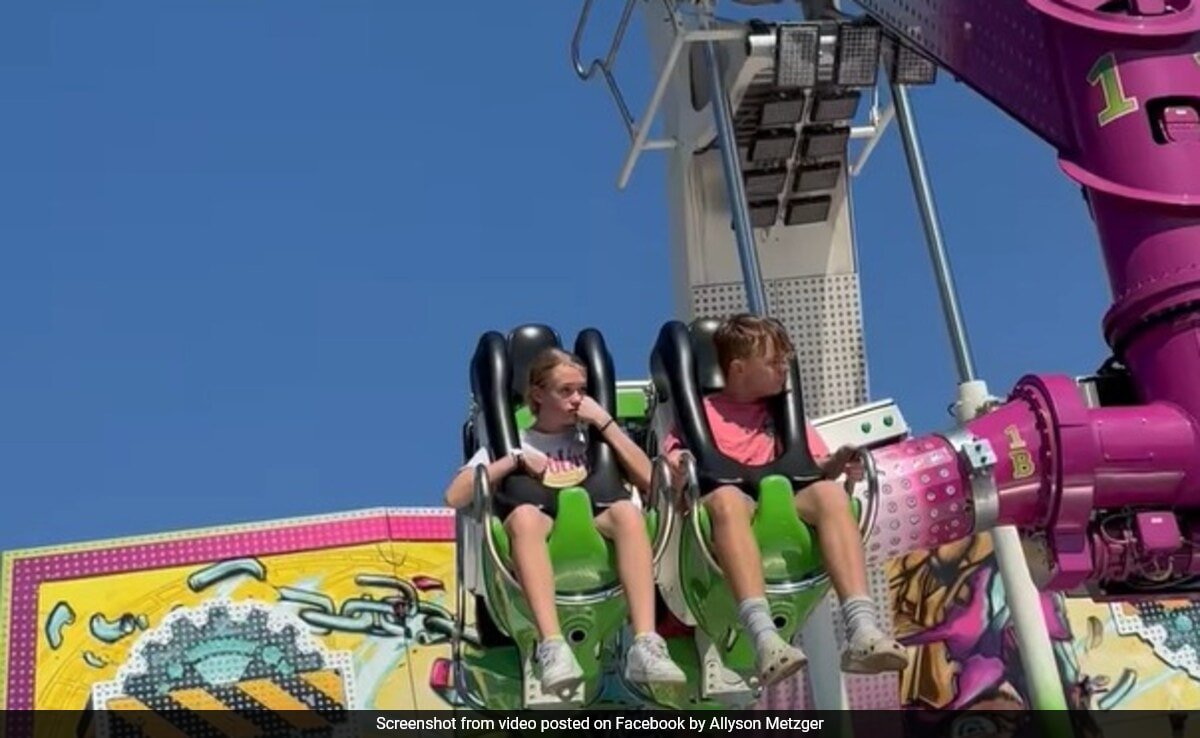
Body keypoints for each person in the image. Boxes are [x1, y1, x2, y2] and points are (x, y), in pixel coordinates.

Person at [662, 314, 909, 686]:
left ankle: (861, 628)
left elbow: (814, 469)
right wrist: (679, 468)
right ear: (739, 368)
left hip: (786, 507)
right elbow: (677, 470)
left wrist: (840, 463)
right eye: (773, 362)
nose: (783, 369)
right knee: (727, 500)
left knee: (828, 495)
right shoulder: (700, 416)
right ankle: (764, 636)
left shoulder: (785, 418)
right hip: (731, 511)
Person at [445, 347, 686, 694]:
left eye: (582, 391)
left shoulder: (593, 441)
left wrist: (605, 423)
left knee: (628, 513)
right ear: (538, 394)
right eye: (566, 391)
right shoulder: (517, 441)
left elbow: (652, 481)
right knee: (525, 518)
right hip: (542, 536)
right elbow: (454, 496)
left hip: (597, 546)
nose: (576, 400)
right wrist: (512, 461)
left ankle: (646, 643)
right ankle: (551, 645)